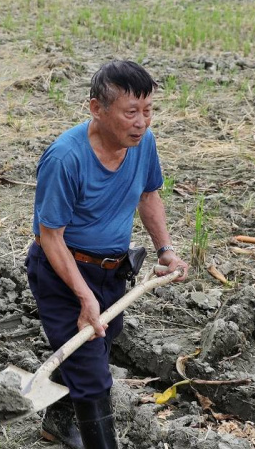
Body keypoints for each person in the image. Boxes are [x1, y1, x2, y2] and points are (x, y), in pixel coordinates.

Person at [25, 60, 189, 449]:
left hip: (112, 273)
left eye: (148, 110)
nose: (142, 122)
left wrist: (165, 250)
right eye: (131, 112)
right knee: (94, 374)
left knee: (98, 343)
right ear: (96, 109)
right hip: (63, 272)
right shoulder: (66, 158)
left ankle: (58, 420)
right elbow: (50, 237)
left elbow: (149, 195)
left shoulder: (142, 142)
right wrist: (84, 297)